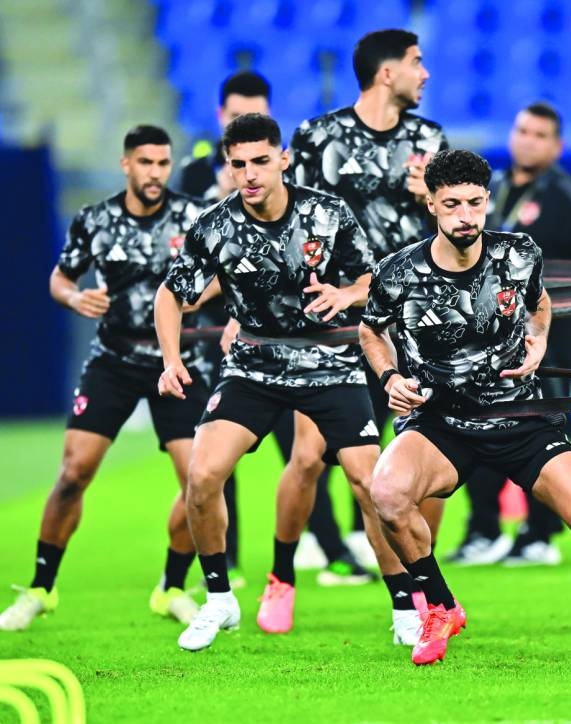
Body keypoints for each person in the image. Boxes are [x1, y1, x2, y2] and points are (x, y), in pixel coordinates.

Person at [359, 149, 571, 666]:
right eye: (451, 205)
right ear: (431, 204)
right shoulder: (398, 271)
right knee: (387, 492)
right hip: (440, 422)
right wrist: (389, 377)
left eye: (475, 203)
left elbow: (539, 302)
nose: (465, 216)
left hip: (520, 419)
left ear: (487, 200)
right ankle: (440, 605)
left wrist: (538, 338)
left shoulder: (519, 254)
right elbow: (370, 329)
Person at [155, 113, 421, 652]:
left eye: (260, 161)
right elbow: (170, 293)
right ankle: (219, 599)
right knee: (202, 476)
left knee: (371, 486)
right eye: (238, 165)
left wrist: (346, 295)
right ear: (228, 167)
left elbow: (372, 277)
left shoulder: (327, 213)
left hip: (330, 366)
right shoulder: (214, 225)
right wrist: (170, 360)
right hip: (253, 367)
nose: (250, 174)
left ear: (283, 159)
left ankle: (403, 607)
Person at [0, 126, 211, 631]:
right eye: (145, 163)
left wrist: (200, 297)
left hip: (177, 362)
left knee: (200, 482)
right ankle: (41, 588)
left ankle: (172, 587)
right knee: (74, 472)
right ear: (126, 165)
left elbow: (224, 272)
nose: (155, 173)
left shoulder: (194, 218)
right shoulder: (95, 220)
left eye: (163, 163)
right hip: (113, 360)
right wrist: (75, 297)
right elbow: (60, 277)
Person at [179, 70, 371, 587]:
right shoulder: (195, 181)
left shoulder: (297, 186)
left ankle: (329, 548)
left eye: (257, 114)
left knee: (304, 453)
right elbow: (190, 268)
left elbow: (299, 257)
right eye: (238, 114)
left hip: (288, 332)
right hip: (220, 336)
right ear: (221, 119)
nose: (250, 170)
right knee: (215, 458)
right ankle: (226, 563)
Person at [288, 27, 449, 550]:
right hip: (334, 314)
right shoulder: (316, 137)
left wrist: (433, 199)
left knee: (430, 444)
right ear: (387, 72)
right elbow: (290, 224)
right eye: (416, 62)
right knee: (309, 455)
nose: (424, 73)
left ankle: (418, 574)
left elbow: (460, 228)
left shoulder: (429, 140)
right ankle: (293, 561)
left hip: (413, 317)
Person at [448, 101, 571, 567]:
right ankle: (483, 530)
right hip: (485, 340)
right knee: (478, 427)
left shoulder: (570, 197)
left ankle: (539, 534)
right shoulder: (492, 190)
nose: (528, 140)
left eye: (540, 135)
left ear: (557, 146)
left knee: (545, 431)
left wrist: (542, 296)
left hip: (548, 343)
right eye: (522, 130)